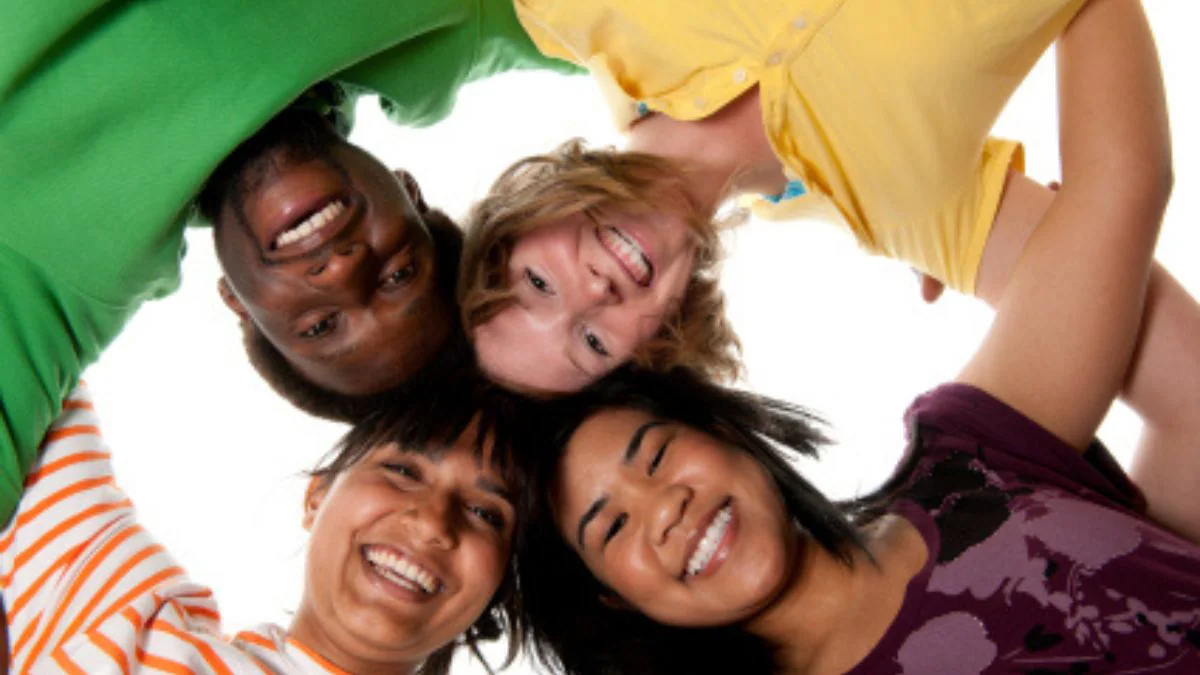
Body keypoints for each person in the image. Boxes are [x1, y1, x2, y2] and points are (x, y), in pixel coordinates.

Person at [512, 2, 1200, 672]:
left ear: (724, 432)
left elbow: (1119, 187)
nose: (665, 507)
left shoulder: (969, 466)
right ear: (613, 600)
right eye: (612, 527)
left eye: (657, 454)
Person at [0, 0, 580, 523]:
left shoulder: (69, 269)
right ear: (411, 194)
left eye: (322, 325)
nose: (345, 270)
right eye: (400, 274)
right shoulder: (430, 21)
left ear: (235, 301)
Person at [0, 351, 537, 673]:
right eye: (403, 471)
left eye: (487, 512)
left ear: (501, 588)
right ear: (317, 496)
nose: (431, 523)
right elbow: (25, 318)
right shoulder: (125, 620)